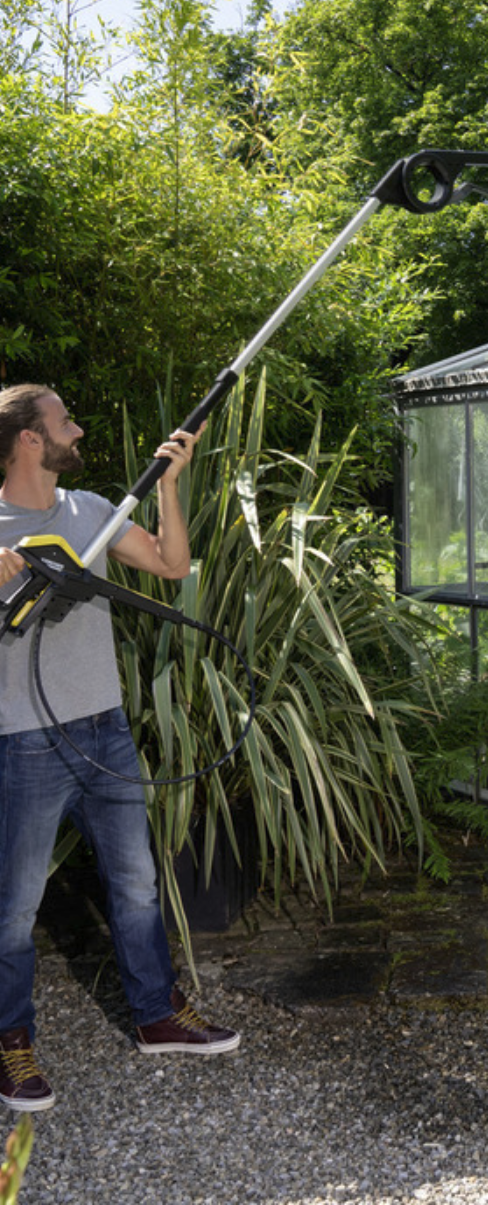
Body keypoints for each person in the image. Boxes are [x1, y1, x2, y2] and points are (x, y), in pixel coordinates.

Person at [0, 384, 239, 1113]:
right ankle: (10, 1039)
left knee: (136, 884)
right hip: (24, 743)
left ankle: (156, 1014)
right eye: (64, 421)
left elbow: (172, 566)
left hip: (104, 728)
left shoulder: (93, 512)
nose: (77, 429)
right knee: (15, 908)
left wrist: (168, 486)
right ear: (30, 439)